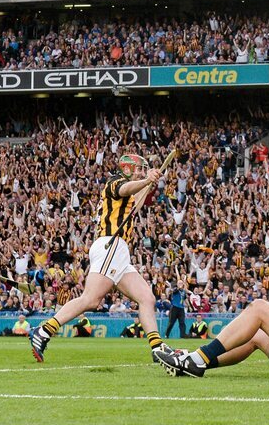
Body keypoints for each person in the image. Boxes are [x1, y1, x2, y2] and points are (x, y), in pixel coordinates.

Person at [30, 154, 171, 362]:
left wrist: (148, 184)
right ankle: (43, 331)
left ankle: (157, 347)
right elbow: (125, 189)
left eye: (143, 169)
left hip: (118, 251)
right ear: (127, 168)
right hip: (111, 245)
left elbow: (136, 203)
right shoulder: (115, 182)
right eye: (139, 169)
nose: (141, 171)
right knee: (91, 299)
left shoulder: (129, 192)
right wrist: (146, 180)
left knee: (147, 298)